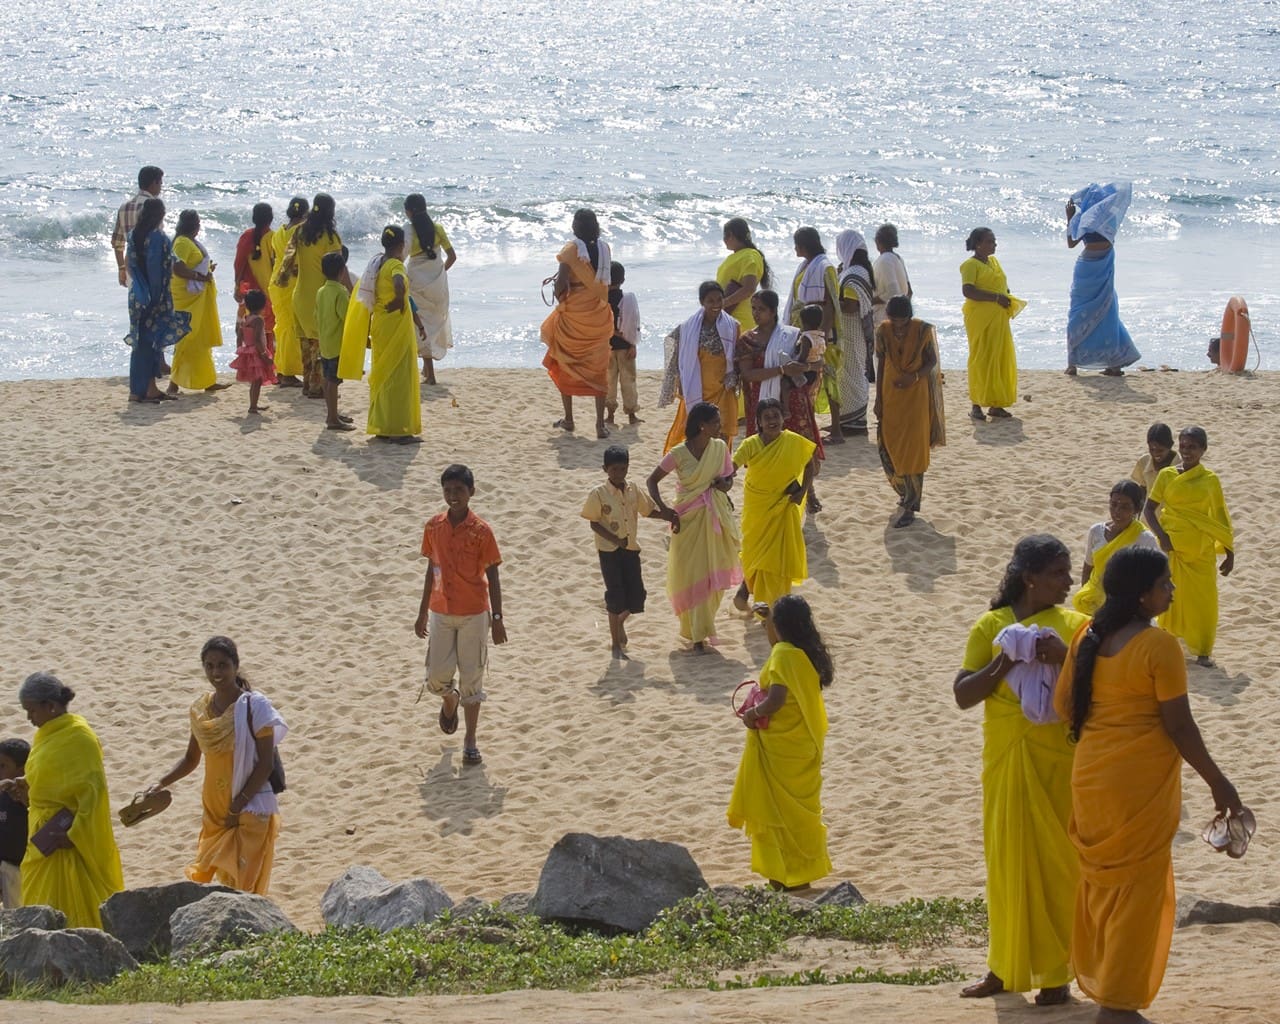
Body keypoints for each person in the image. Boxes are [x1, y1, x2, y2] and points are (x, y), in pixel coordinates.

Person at [1055, 547, 1244, 1023]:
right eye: (1166, 583)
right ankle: (1117, 1003)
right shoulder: (1158, 647)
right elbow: (1180, 727)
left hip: (1091, 778)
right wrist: (1220, 784)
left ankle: (1108, 989)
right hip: (1136, 786)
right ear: (1143, 595)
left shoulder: (1088, 635)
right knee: (1138, 893)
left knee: (1103, 885)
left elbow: (1064, 708)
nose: (1173, 589)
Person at [953, 536, 1087, 1007]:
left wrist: (1064, 657)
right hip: (1007, 761)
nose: (1069, 582)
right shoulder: (990, 627)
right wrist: (1005, 660)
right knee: (1007, 865)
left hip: (1058, 765)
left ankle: (1055, 975)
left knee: (1058, 868)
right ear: (1029, 578)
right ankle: (1004, 968)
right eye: (1058, 573)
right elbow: (964, 695)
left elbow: (1101, 690)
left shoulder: (1076, 627)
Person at [150, 637, 287, 895]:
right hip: (215, 809)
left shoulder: (255, 707)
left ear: (235, 666)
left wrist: (239, 803)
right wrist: (161, 782)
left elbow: (265, 763)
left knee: (245, 884)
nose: (216, 672)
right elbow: (191, 759)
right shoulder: (202, 710)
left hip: (250, 805)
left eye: (223, 665)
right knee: (222, 877)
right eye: (209, 666)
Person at [726, 594, 833, 890]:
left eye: (769, 623)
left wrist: (752, 714)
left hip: (781, 750)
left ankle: (784, 879)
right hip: (802, 745)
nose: (765, 628)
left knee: (777, 812)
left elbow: (776, 699)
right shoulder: (804, 653)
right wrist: (767, 617)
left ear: (781, 626)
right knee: (800, 812)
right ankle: (800, 874)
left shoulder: (784, 654)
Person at [14, 672, 123, 928]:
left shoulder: (80, 738)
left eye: (31, 711)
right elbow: (47, 780)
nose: (29, 718)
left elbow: (92, 795)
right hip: (42, 840)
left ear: (50, 706)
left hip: (69, 841)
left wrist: (75, 833)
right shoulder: (46, 734)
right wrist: (26, 788)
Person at [414, 464, 507, 767]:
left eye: (459, 491)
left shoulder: (482, 531)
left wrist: (497, 618)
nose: (453, 496)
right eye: (448, 490)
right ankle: (448, 700)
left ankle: (470, 741)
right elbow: (432, 567)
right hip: (441, 611)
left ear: (471, 493)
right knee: (436, 678)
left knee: (472, 679)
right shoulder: (433, 527)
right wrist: (422, 611)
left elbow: (493, 575)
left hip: (474, 613)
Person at [646, 402, 742, 651]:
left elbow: (728, 480)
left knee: (715, 572)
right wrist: (665, 510)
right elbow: (652, 480)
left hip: (715, 516)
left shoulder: (720, 448)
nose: (720, 427)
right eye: (716, 423)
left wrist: (724, 484)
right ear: (702, 425)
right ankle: (696, 634)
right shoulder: (678, 453)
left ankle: (703, 631)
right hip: (687, 520)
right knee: (692, 574)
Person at [1143, 426, 1234, 666]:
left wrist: (1229, 550)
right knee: (1169, 598)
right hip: (1172, 551)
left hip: (1201, 553)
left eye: (1192, 447)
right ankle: (1167, 645)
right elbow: (1149, 509)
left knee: (1204, 601)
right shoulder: (1166, 476)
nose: (1187, 451)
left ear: (1203, 449)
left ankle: (1203, 651)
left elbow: (1219, 516)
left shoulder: (1210, 480)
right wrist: (1161, 536)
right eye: (1183, 446)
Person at [581, 445, 677, 658]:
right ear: (605, 469)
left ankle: (619, 624)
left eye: (623, 469)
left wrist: (666, 515)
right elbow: (594, 523)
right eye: (614, 469)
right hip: (609, 552)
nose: (619, 473)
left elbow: (647, 510)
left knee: (637, 596)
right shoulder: (598, 494)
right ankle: (615, 644)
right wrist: (615, 539)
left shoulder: (633, 489)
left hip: (631, 549)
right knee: (615, 596)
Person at [737, 291, 825, 508]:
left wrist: (800, 368)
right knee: (766, 447)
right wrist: (781, 369)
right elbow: (747, 374)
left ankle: (809, 492)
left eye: (761, 309)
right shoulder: (747, 340)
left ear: (773, 311)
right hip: (763, 401)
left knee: (801, 446)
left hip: (793, 398)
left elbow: (817, 363)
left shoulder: (792, 335)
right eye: (753, 309)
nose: (756, 314)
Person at [731, 398, 815, 612]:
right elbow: (732, 466)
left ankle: (770, 607)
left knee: (775, 559)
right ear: (758, 422)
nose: (772, 422)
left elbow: (810, 464)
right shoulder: (750, 444)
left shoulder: (793, 441)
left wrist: (803, 491)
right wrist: (722, 480)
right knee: (754, 553)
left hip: (783, 506)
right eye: (766, 418)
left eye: (775, 416)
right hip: (757, 507)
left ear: (783, 418)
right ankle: (744, 591)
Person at [344, 227, 422, 444]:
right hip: (396, 326)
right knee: (399, 377)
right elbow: (398, 281)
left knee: (382, 375)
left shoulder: (376, 264)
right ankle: (400, 430)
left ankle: (382, 427)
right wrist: (399, 299)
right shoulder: (395, 264)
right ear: (401, 246)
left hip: (380, 324)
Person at [541, 208, 613, 438]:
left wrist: (560, 294)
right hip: (599, 315)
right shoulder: (605, 249)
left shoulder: (571, 250)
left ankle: (569, 419)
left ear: (575, 227)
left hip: (574, 316)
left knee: (565, 362)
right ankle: (600, 425)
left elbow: (561, 282)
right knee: (598, 368)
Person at [874, 295, 943, 528]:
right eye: (894, 321)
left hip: (916, 397)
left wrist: (913, 377)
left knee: (913, 449)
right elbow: (881, 365)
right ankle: (904, 491)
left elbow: (931, 361)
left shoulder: (922, 330)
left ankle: (911, 505)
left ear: (910, 318)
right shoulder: (882, 332)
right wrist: (878, 399)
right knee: (888, 443)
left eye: (902, 322)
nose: (898, 327)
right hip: (891, 396)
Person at [1064, 183, 1140, 376]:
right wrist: (1072, 218)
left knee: (1087, 311)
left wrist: (1070, 219)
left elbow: (1071, 242)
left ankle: (1079, 364)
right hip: (1098, 266)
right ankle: (1104, 363)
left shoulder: (1086, 218)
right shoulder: (1107, 219)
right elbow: (1074, 243)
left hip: (1091, 266)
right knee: (1103, 310)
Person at [658, 281, 739, 454]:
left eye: (719, 300)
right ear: (702, 302)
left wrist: (734, 375)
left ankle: (721, 470)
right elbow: (676, 352)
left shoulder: (733, 326)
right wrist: (679, 380)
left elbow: (738, 355)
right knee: (695, 433)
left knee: (723, 433)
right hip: (697, 388)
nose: (716, 305)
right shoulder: (688, 327)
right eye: (711, 300)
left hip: (724, 389)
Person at [125, 198, 189, 404]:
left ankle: (142, 389)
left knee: (140, 343)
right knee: (152, 343)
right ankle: (145, 390)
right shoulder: (159, 238)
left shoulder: (133, 235)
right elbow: (163, 267)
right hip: (155, 297)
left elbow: (130, 265)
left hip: (137, 295)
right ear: (160, 215)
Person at [278, 194, 341, 399]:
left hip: (300, 295)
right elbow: (337, 267)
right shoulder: (330, 237)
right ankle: (318, 387)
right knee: (322, 345)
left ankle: (308, 385)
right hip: (321, 295)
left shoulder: (300, 231)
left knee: (306, 344)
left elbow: (288, 259)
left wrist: (282, 279)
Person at [960, 227, 1023, 421]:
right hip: (980, 319)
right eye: (990, 241)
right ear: (978, 244)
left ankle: (996, 404)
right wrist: (996, 297)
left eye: (994, 241)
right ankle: (976, 404)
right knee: (981, 358)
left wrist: (1004, 295)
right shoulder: (970, 265)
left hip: (998, 319)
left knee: (999, 358)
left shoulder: (994, 262)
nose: (994, 244)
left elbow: (1001, 283)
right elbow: (968, 291)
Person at [783, 227, 840, 438]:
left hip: (820, 334)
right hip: (803, 330)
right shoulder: (806, 266)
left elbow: (830, 304)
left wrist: (820, 335)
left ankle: (836, 429)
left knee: (828, 379)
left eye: (797, 244)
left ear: (804, 245)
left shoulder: (825, 268)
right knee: (808, 379)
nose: (795, 248)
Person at [1073, 480, 1159, 615]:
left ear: (1136, 509)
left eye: (1125, 507)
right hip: (1092, 602)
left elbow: (1155, 577)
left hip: (1126, 606)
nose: (1117, 511)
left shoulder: (1145, 539)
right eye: (1113, 505)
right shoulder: (1096, 531)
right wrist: (1086, 593)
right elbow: (1088, 567)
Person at [168, 209, 227, 395]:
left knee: (201, 338)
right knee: (187, 338)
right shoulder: (182, 243)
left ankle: (208, 381)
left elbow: (192, 265)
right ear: (192, 225)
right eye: (198, 223)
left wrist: (206, 270)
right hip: (187, 298)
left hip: (197, 296)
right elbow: (177, 268)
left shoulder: (189, 241)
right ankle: (173, 384)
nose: (199, 226)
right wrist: (199, 276)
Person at [403, 193, 456, 386]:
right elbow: (452, 256)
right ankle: (427, 370)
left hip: (417, 280)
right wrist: (440, 273)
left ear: (408, 212)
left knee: (421, 325)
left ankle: (431, 375)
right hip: (437, 283)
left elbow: (401, 255)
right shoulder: (437, 228)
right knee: (433, 323)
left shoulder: (409, 230)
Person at [832, 229, 877, 436]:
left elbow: (851, 305)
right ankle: (849, 420)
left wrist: (829, 302)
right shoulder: (856, 270)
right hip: (853, 331)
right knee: (851, 373)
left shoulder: (854, 273)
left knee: (852, 373)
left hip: (851, 330)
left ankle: (854, 422)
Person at [269, 196, 308, 387]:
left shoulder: (278, 233)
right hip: (290, 283)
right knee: (290, 328)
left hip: (276, 282)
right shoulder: (300, 232)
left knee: (282, 326)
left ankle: (282, 369)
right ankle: (287, 373)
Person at [315, 250, 354, 432]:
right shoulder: (340, 291)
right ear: (341, 271)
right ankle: (332, 418)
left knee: (328, 380)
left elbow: (317, 315)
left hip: (324, 342)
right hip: (337, 344)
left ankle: (333, 414)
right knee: (333, 382)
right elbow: (347, 317)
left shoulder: (321, 291)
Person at [717, 217, 772, 334]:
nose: (724, 240)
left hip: (740, 321)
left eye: (724, 236)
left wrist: (723, 304)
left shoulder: (750, 255)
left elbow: (749, 289)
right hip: (725, 318)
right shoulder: (733, 257)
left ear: (730, 235)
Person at [111, 165, 163, 287]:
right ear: (153, 184)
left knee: (136, 304)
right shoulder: (154, 207)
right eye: (160, 183)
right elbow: (157, 242)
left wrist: (121, 268)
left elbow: (117, 242)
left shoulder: (124, 207)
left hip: (131, 266)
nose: (161, 187)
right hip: (151, 267)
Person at [605, 261, 641, 426]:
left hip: (607, 348)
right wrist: (633, 344)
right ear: (623, 280)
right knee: (629, 382)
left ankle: (610, 416)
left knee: (609, 382)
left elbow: (601, 323)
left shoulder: (601, 300)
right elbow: (633, 324)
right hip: (626, 347)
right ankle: (631, 415)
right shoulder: (628, 299)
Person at [229, 290, 277, 415]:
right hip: (256, 352)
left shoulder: (245, 319)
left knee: (256, 380)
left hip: (248, 350)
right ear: (262, 306)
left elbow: (239, 335)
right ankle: (253, 406)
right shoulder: (258, 320)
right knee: (257, 381)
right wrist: (264, 354)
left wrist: (240, 348)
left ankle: (253, 404)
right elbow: (257, 339)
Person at [234, 203, 275, 337]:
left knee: (247, 332)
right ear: (271, 218)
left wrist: (236, 287)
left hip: (249, 293)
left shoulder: (247, 236)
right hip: (271, 293)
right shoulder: (274, 238)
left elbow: (239, 265)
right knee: (270, 336)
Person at [0, 738, 29, 908]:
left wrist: (24, 799)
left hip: (18, 868)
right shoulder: (2, 795)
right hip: (2, 861)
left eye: (3, 766)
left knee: (16, 912)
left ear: (21, 770)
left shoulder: (28, 797)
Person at [871, 223, 912, 330]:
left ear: (878, 241)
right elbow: (909, 291)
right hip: (899, 318)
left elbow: (893, 292)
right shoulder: (897, 258)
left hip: (885, 317)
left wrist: (870, 301)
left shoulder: (885, 260)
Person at [1130, 422, 1179, 500]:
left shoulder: (1181, 466)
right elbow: (1143, 487)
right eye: (1152, 449)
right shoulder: (1144, 461)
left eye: (1160, 450)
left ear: (1170, 446)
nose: (1155, 453)